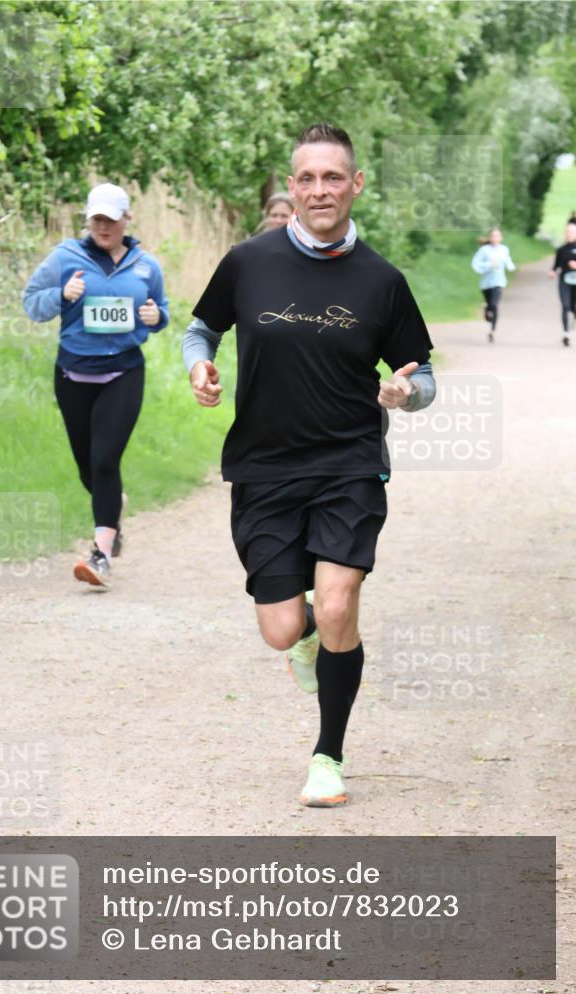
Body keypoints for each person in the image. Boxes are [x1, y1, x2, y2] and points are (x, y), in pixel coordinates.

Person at [182, 124, 435, 808]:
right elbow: (200, 327)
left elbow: (423, 376)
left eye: (332, 178)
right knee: (283, 629)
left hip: (349, 463)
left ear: (354, 185)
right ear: (289, 187)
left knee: (336, 604)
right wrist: (197, 364)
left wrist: (406, 394)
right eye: (306, 178)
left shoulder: (382, 280)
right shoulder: (247, 262)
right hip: (262, 470)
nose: (319, 190)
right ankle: (304, 641)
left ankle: (328, 754)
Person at [23, 182, 169, 586]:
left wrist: (157, 317)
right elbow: (31, 301)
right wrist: (60, 294)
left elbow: (162, 310)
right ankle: (113, 513)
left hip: (123, 373)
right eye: (97, 219)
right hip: (72, 375)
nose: (104, 227)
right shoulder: (65, 257)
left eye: (111, 219)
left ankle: (100, 554)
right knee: (87, 466)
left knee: (105, 459)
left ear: (127, 219)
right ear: (88, 220)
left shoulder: (145, 265)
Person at [471, 228, 515, 343]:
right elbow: (476, 265)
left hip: (499, 282)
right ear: (490, 238)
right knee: (490, 305)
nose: (495, 238)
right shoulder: (484, 250)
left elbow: (508, 261)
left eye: (497, 236)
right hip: (486, 283)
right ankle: (486, 308)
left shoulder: (504, 249)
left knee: (495, 304)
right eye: (493, 236)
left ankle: (492, 330)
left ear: (501, 238)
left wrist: (510, 266)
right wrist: (489, 264)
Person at [549, 221, 576, 347]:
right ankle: (565, 334)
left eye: (571, 232)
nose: (568, 234)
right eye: (567, 232)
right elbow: (556, 265)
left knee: (573, 308)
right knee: (565, 306)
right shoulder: (561, 249)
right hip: (564, 281)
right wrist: (553, 272)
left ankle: (571, 327)